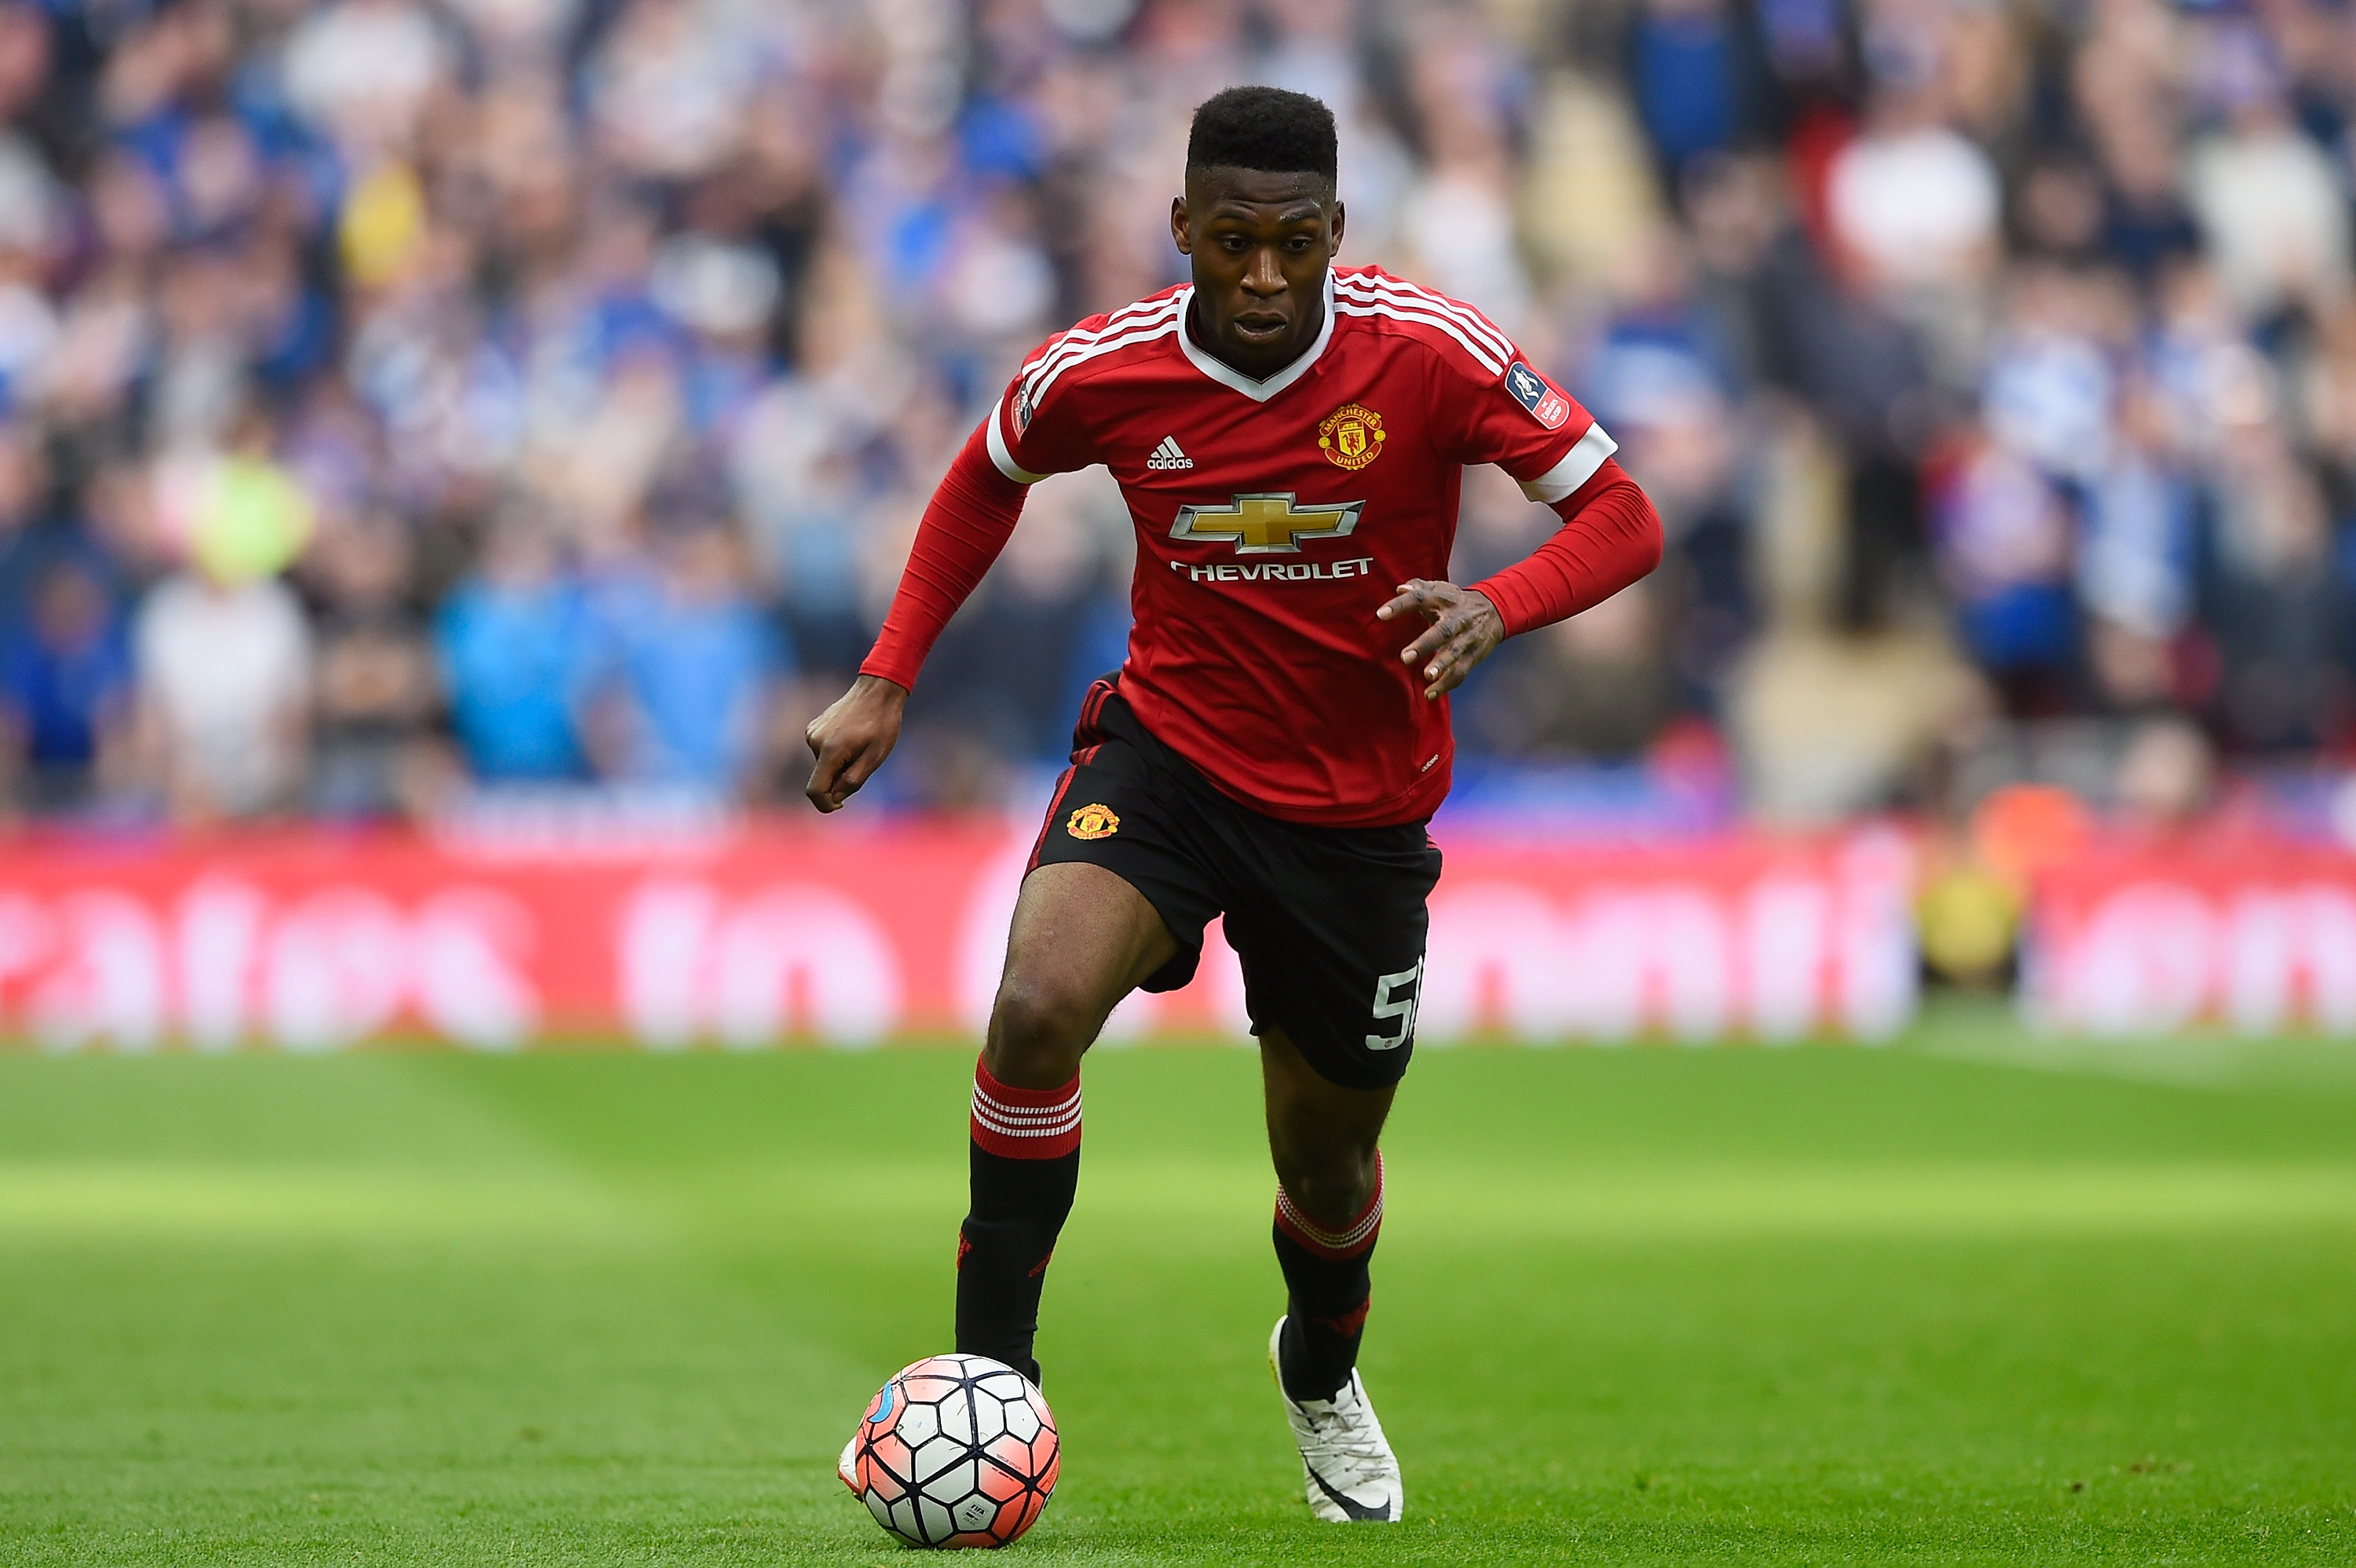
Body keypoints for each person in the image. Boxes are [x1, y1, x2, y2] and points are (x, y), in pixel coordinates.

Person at [807, 86, 1662, 1524]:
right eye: (1231, 242)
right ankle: (986, 1384)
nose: (1263, 276)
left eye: (1294, 244)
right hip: (1173, 763)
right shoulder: (1108, 367)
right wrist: (890, 674)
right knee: (1033, 1005)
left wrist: (1498, 603)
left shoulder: (1432, 353)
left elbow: (1623, 513)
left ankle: (1321, 1370)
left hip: (1359, 813)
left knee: (1326, 1171)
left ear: (1339, 232)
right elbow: (984, 476)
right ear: (1184, 231)